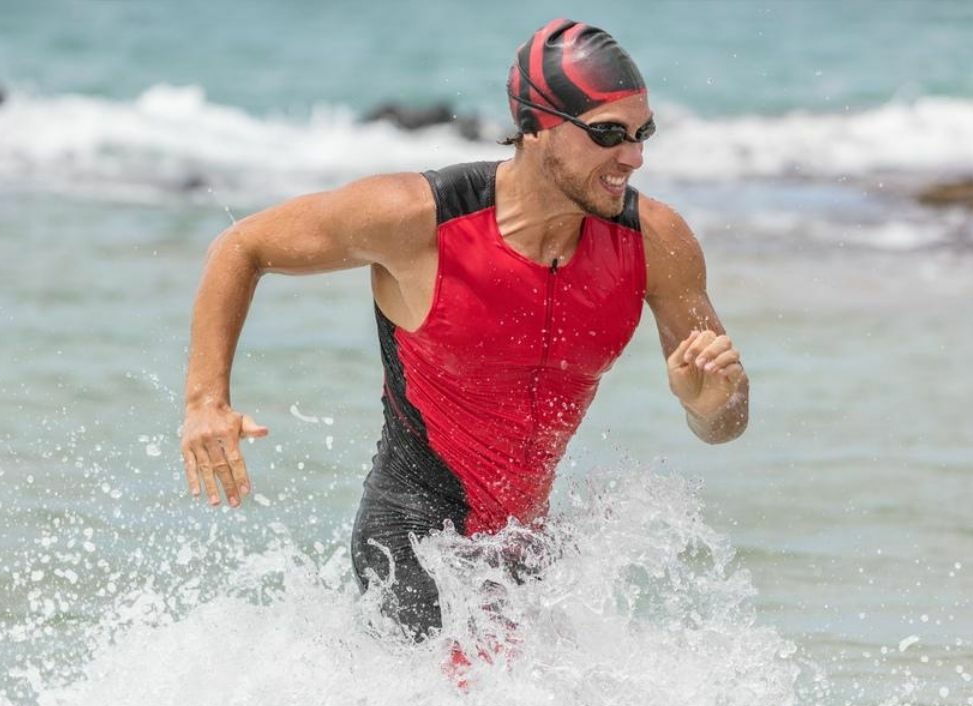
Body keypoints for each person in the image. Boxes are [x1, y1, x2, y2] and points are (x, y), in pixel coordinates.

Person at [181, 18, 748, 642]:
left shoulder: (655, 242)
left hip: (527, 552)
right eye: (608, 134)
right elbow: (243, 247)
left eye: (643, 134)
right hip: (415, 540)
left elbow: (724, 425)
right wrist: (206, 402)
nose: (634, 157)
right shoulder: (418, 218)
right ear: (536, 128)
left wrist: (709, 404)